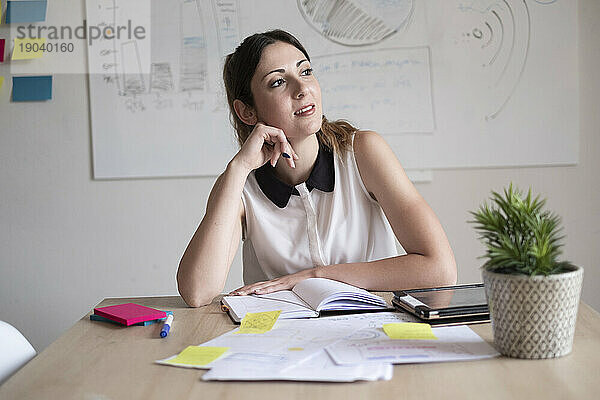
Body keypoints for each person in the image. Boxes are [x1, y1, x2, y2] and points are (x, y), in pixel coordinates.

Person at [177, 29, 456, 307]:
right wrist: (238, 167)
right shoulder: (239, 184)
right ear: (247, 111)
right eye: (278, 82)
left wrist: (316, 276)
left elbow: (440, 270)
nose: (302, 89)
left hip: (371, 333)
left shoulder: (364, 152)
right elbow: (198, 291)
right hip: (281, 341)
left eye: (306, 72)